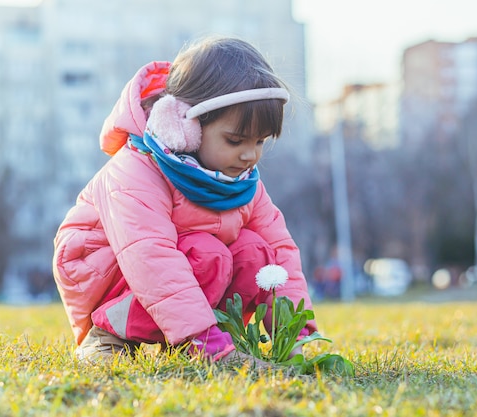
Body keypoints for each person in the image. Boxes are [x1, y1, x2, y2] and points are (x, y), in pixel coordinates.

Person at [52, 36, 317, 366]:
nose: (250, 155)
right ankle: (107, 335)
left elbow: (281, 251)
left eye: (260, 141)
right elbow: (151, 258)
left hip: (183, 266)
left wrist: (294, 333)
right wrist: (205, 344)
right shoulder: (136, 171)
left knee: (255, 251)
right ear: (184, 124)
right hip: (105, 268)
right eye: (235, 140)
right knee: (208, 255)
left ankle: (210, 334)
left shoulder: (238, 178)